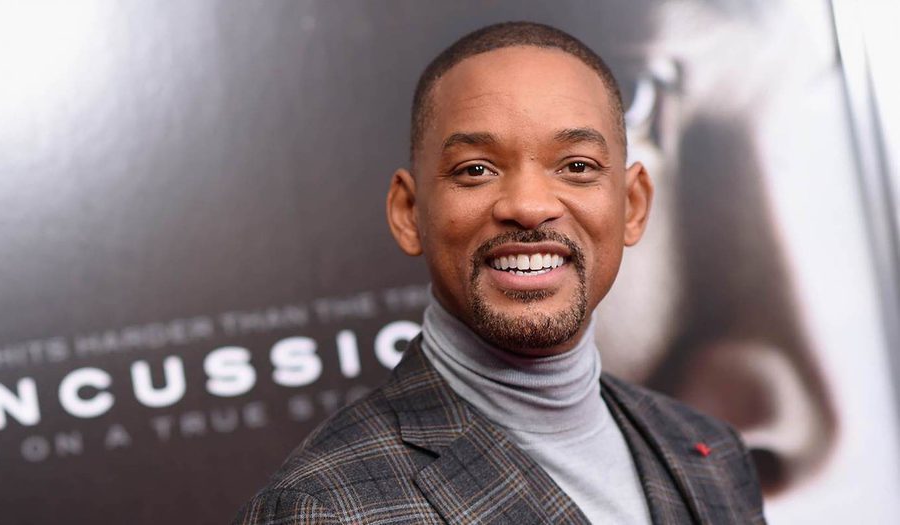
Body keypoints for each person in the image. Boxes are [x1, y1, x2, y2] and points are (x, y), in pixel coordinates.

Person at [235, 21, 764, 524]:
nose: (529, 206)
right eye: (476, 170)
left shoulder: (711, 453)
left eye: (576, 166)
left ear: (633, 205)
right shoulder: (322, 509)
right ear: (408, 213)